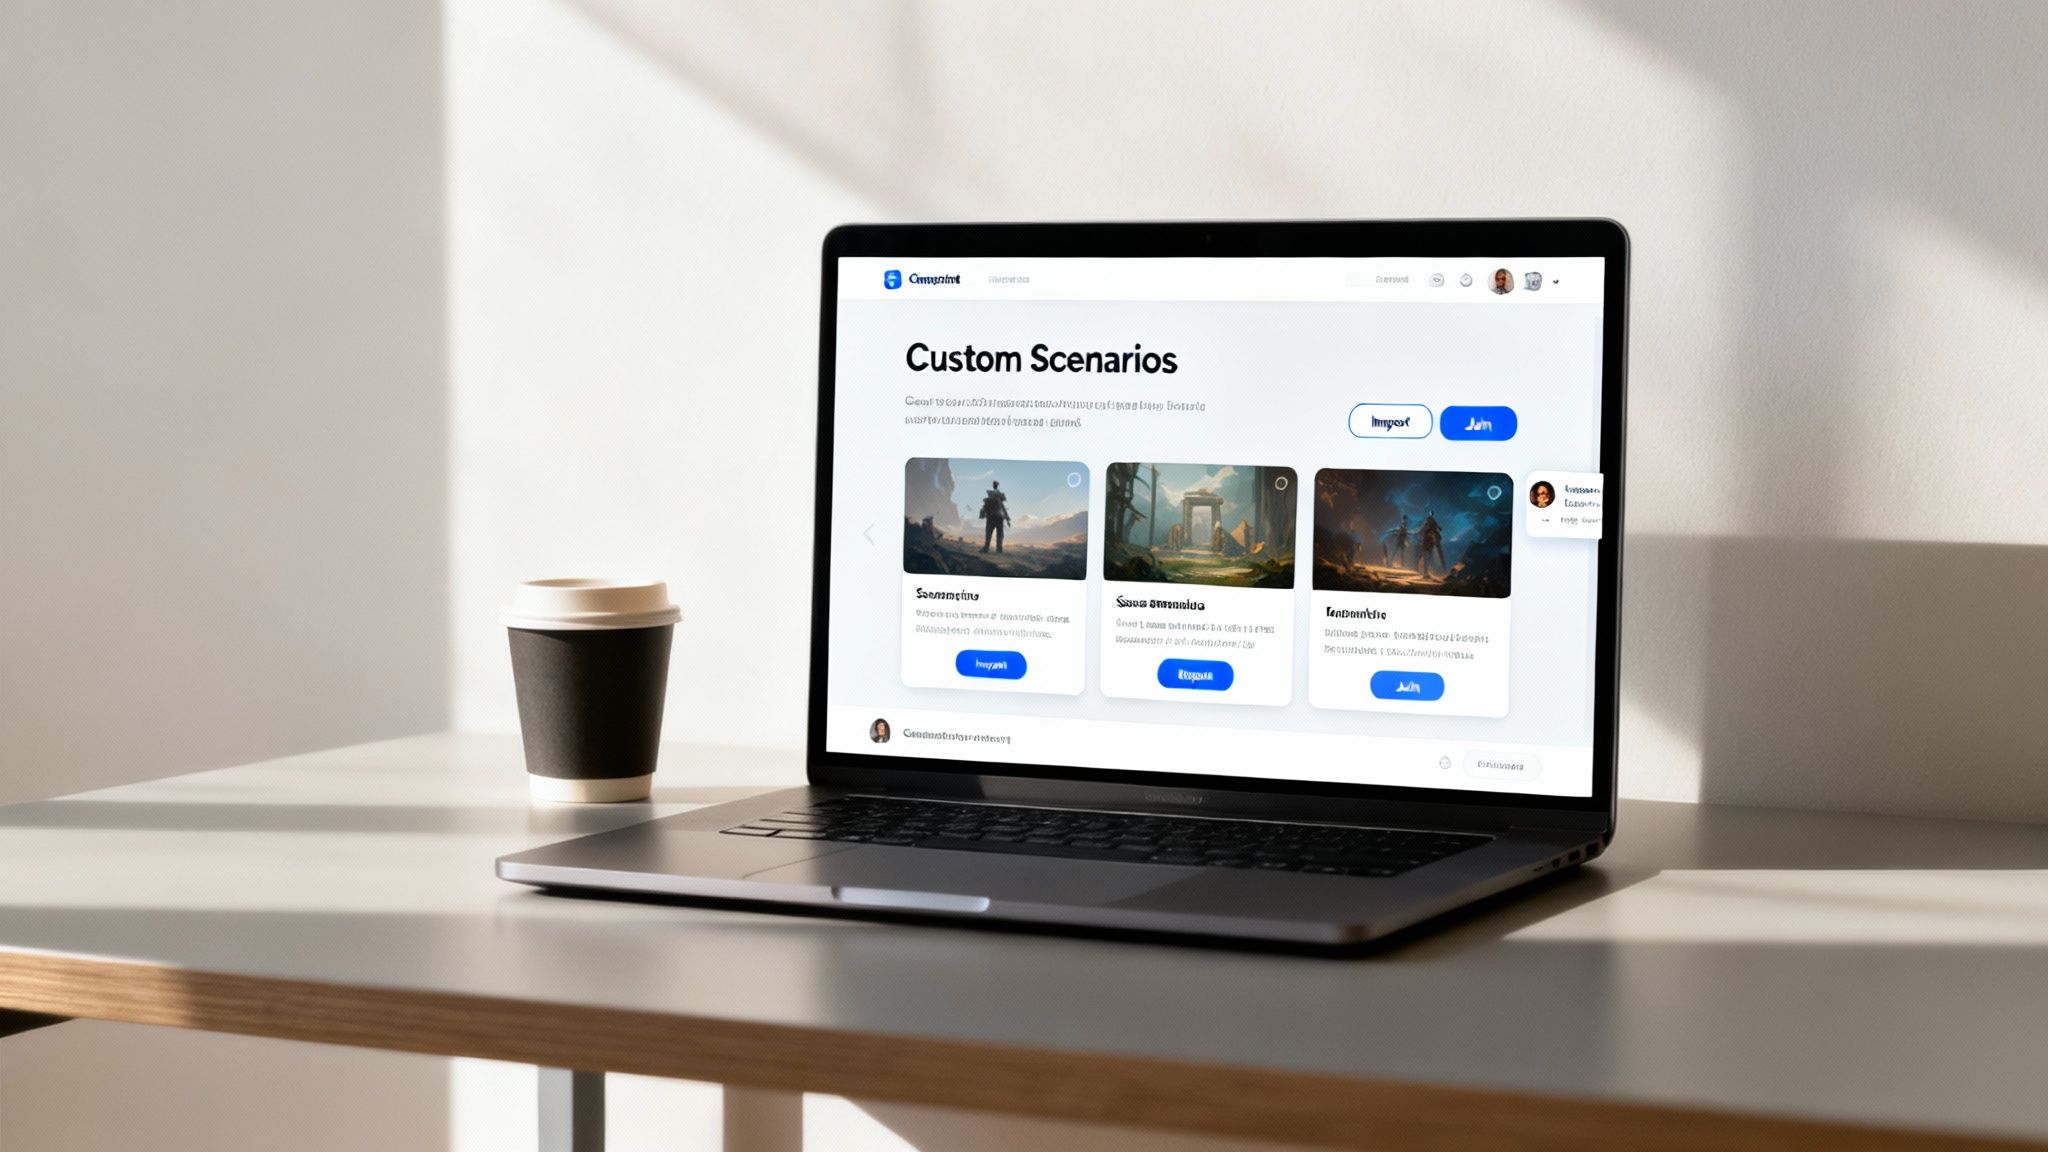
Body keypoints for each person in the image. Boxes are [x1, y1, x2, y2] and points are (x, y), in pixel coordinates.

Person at [979, 479, 1011, 553]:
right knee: (995, 533)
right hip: (997, 517)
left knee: (990, 533)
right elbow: (1003, 509)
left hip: (993, 517)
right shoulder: (997, 498)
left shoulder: (993, 498)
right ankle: (996, 549)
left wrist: (982, 513)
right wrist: (1007, 519)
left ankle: (990, 548)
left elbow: (985, 507)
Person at [1417, 510, 1447, 578]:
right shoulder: (1430, 525)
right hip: (1427, 543)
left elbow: (1438, 529)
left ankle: (1427, 572)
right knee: (1427, 558)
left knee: (1428, 558)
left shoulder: (1431, 525)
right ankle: (1425, 573)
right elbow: (1421, 532)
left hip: (1429, 543)